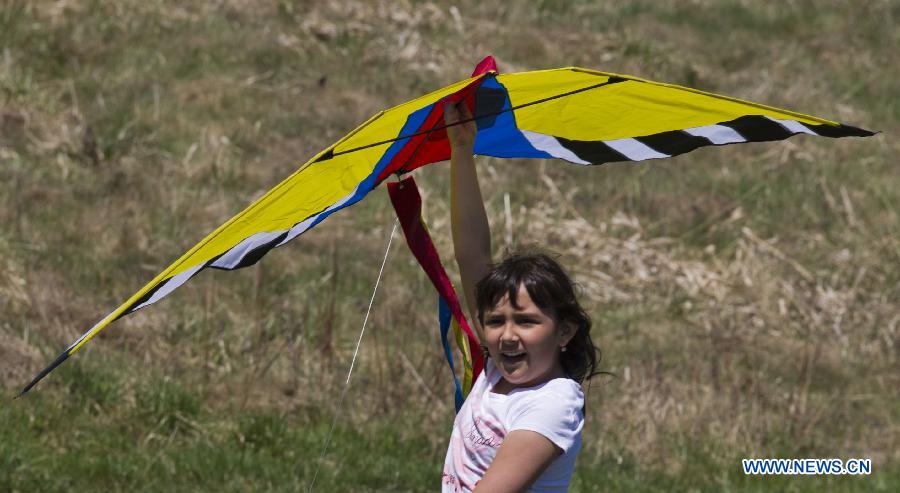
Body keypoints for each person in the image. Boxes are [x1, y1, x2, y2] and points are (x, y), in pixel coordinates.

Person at [441, 101, 600, 492]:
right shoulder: (498, 370)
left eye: (527, 321)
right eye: (495, 321)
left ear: (564, 331)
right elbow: (472, 254)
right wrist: (461, 148)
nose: (507, 335)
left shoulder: (552, 404)